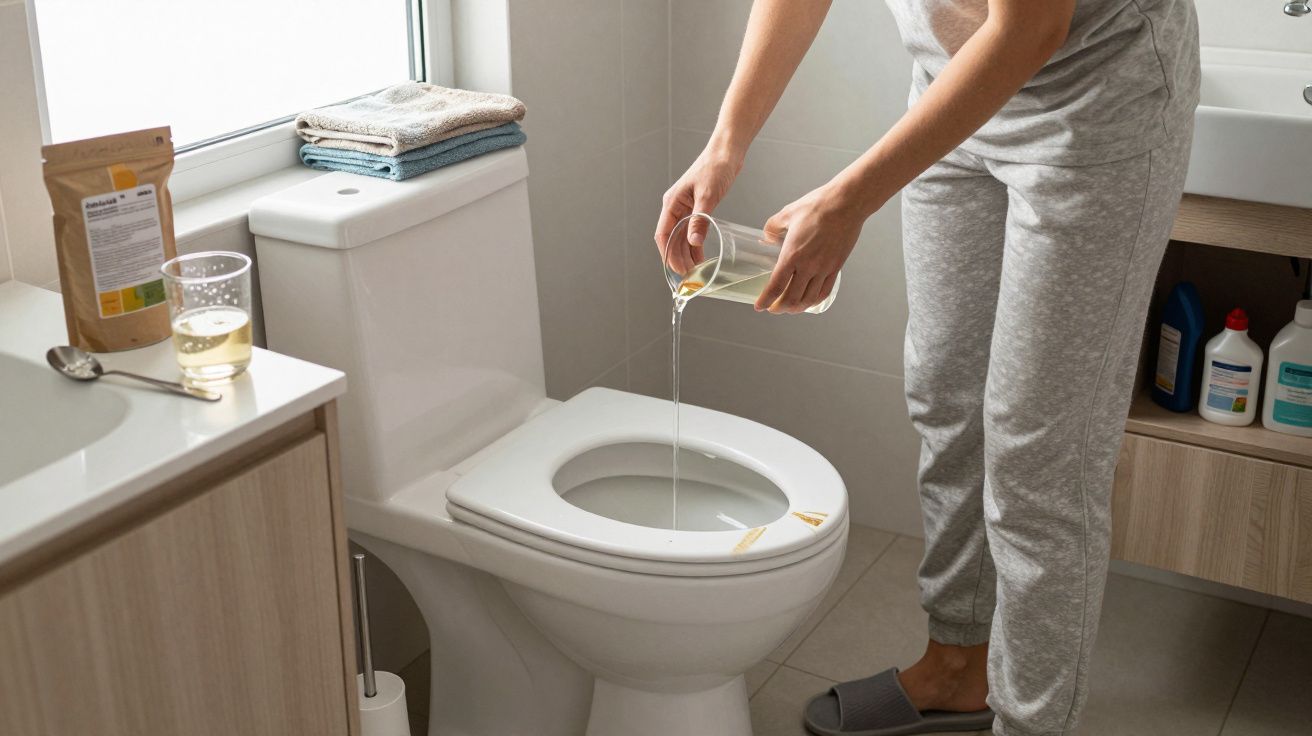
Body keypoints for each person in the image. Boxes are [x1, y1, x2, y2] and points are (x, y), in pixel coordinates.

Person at [654, 1, 1200, 734]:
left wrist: (850, 199)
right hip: (956, 96)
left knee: (1039, 459)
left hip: (1096, 104)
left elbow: (1029, 27)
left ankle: (1032, 725)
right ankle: (956, 668)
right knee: (947, 398)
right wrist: (727, 141)